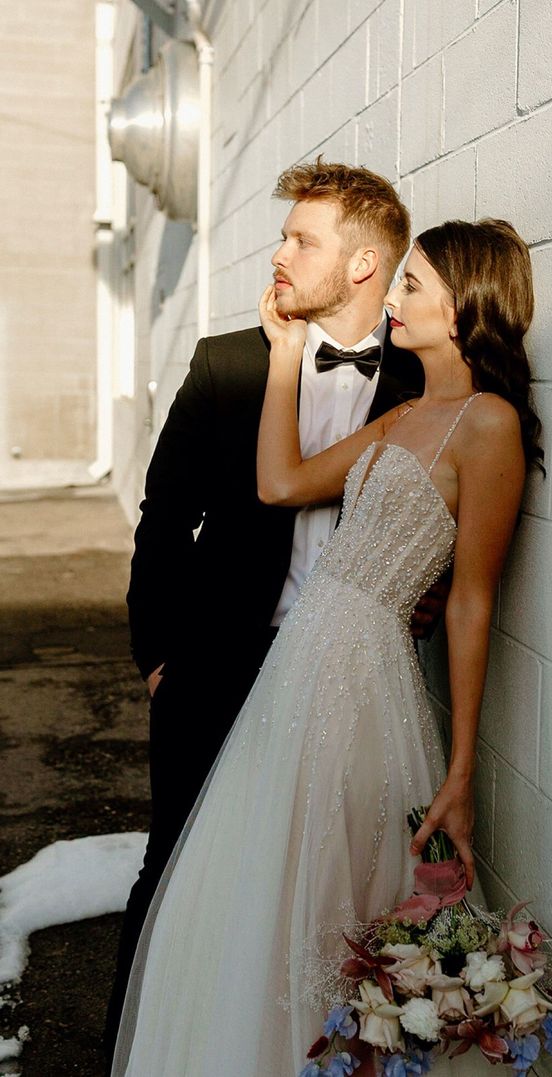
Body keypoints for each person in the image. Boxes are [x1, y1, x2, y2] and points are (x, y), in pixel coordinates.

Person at [111, 218, 544, 1076]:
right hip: (298, 667)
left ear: (463, 308)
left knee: (329, 887)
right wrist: (281, 353)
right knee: (251, 881)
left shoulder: (486, 424)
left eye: (413, 286)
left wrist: (459, 769)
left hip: (364, 673)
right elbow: (280, 482)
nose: (393, 298)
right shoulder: (410, 411)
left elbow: (469, 600)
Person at [104, 159, 429, 1064]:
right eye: (285, 235)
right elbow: (164, 517)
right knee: (172, 871)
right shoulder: (225, 362)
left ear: (363, 265)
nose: (279, 253)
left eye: (302, 239)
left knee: (328, 888)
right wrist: (158, 655)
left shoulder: (420, 381)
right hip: (219, 665)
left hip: (345, 680)